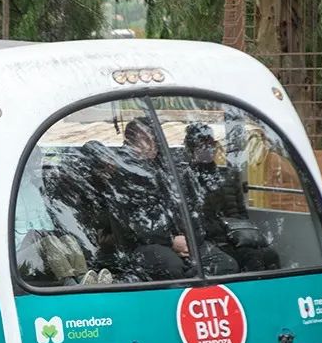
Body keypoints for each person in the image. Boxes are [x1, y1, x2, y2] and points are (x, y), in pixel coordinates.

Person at [101, 118, 237, 281]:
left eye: (152, 138)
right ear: (130, 142)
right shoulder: (123, 178)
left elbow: (194, 210)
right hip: (145, 244)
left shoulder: (173, 171)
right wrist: (170, 241)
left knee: (226, 264)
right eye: (142, 139)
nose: (150, 143)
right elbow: (132, 226)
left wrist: (190, 238)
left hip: (186, 240)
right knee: (173, 267)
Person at [184, 123, 280, 272]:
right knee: (250, 259)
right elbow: (195, 220)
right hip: (213, 240)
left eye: (211, 144)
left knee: (270, 255)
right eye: (201, 145)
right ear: (192, 150)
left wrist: (244, 234)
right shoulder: (187, 179)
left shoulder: (228, 176)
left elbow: (241, 213)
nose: (208, 149)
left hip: (237, 236)